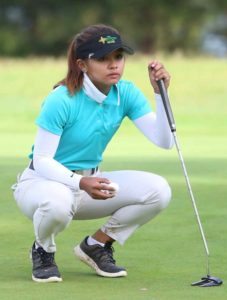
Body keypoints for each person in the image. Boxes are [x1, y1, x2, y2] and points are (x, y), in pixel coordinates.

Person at [12, 24, 174, 283]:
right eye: (102, 59)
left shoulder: (126, 93)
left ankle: (97, 245)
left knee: (159, 190)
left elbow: (164, 140)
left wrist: (160, 94)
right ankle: (43, 250)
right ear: (83, 64)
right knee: (57, 202)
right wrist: (80, 182)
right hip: (42, 185)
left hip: (89, 186)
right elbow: (42, 160)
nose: (114, 65)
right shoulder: (62, 99)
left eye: (118, 57)